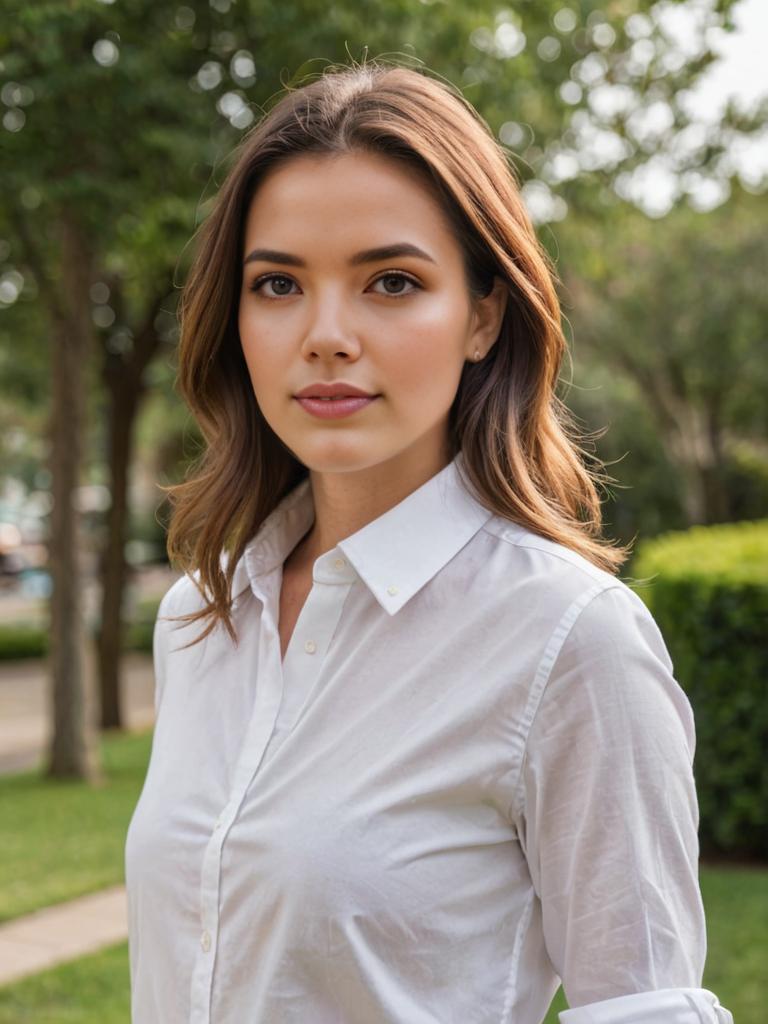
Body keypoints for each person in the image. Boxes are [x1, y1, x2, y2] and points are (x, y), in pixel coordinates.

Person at [124, 60, 733, 1024]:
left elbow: (645, 1006)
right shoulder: (199, 617)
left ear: (484, 315)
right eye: (277, 283)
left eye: (392, 281)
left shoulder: (570, 640)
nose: (325, 335)